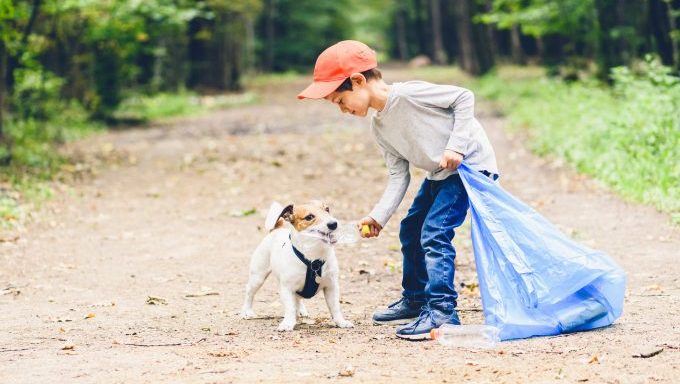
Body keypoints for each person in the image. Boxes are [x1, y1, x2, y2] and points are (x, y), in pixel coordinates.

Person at [297, 40, 498, 340]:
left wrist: (456, 145)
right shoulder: (379, 127)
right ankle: (416, 299)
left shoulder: (408, 94)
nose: (342, 110)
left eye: (340, 101)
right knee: (410, 229)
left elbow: (463, 97)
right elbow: (397, 176)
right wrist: (378, 217)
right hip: (440, 173)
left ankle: (443, 311)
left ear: (358, 81)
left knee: (434, 232)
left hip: (470, 167)